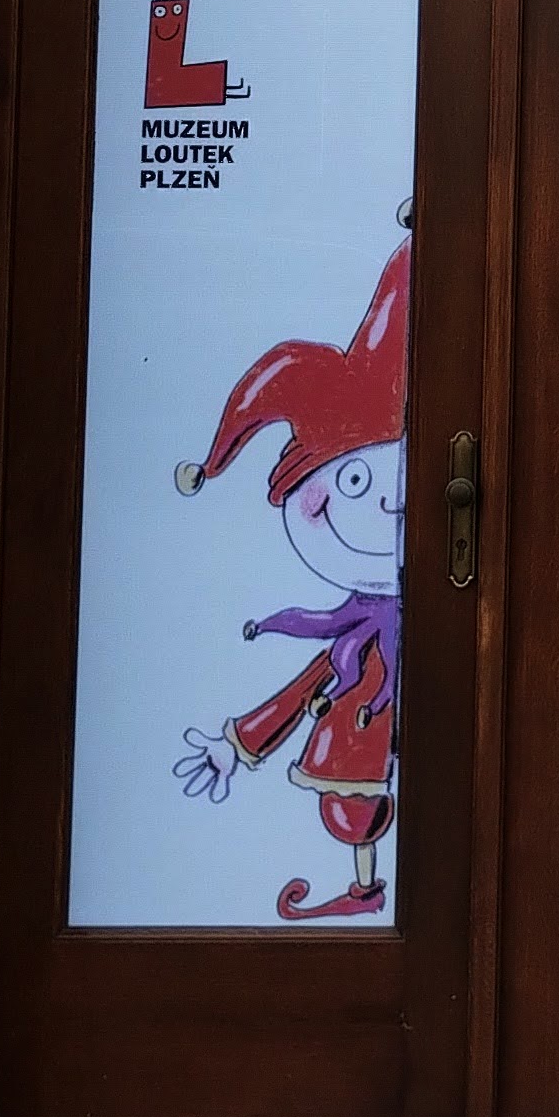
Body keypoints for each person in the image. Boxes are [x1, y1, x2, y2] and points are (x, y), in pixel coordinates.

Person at [171, 240, 410, 920]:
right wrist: (239, 742)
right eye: (355, 481)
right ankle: (368, 887)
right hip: (365, 737)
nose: (388, 504)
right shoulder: (359, 635)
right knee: (357, 796)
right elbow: (309, 680)